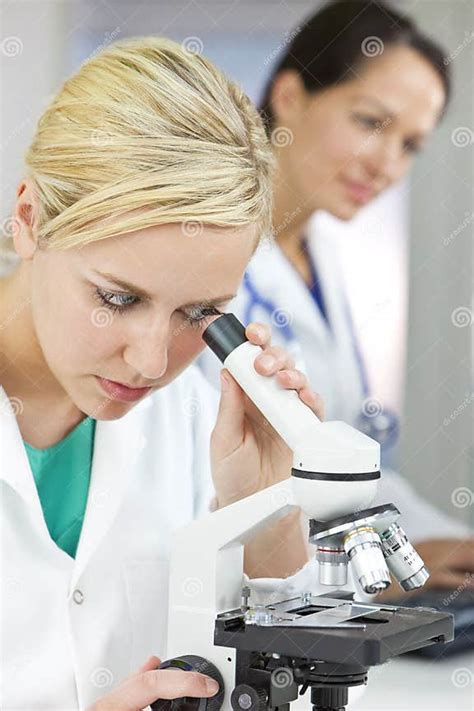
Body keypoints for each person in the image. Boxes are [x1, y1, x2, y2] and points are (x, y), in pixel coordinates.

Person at [0, 37, 326, 710]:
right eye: (117, 299)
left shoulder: (192, 421)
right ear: (31, 221)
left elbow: (273, 660)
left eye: (200, 312)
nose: (152, 362)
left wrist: (265, 510)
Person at [198, 0, 473, 595]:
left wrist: (433, 543)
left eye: (410, 146)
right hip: (245, 597)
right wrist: (357, 573)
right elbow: (207, 484)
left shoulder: (318, 256)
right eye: (372, 122)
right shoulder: (204, 252)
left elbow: (340, 453)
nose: (387, 165)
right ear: (291, 96)